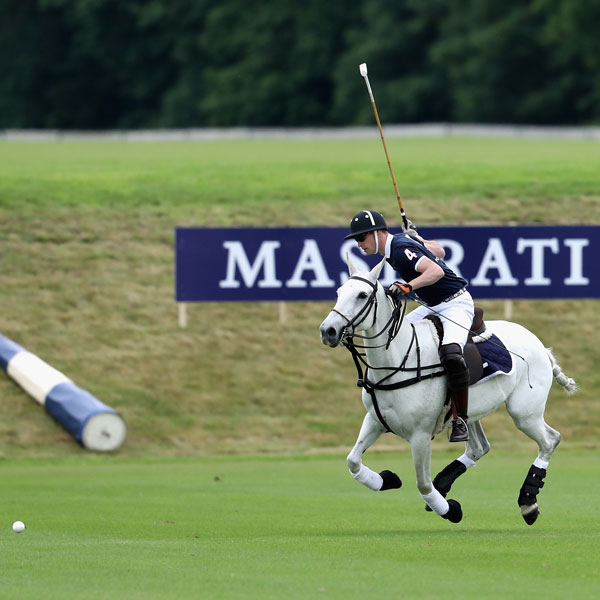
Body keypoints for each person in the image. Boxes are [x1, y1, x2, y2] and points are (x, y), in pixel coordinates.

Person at [344, 210, 474, 442]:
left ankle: (460, 419)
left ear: (376, 233)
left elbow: (437, 270)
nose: (359, 244)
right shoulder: (402, 245)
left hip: (456, 304)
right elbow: (440, 252)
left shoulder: (400, 250)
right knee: (394, 337)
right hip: (432, 305)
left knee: (452, 354)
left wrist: (407, 287)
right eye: (356, 240)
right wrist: (418, 239)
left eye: (361, 238)